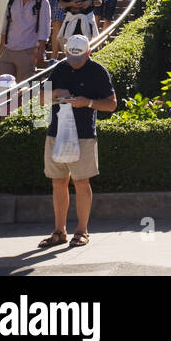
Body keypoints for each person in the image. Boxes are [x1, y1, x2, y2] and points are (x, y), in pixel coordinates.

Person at [36, 34, 116, 249]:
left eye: (78, 59)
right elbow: (40, 99)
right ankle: (59, 231)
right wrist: (56, 93)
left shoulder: (98, 71)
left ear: (88, 53)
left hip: (84, 135)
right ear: (66, 53)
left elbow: (111, 104)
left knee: (81, 182)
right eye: (71, 58)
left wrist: (87, 102)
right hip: (56, 132)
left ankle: (82, 231)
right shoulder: (60, 68)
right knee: (57, 182)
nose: (74, 63)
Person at [0, 0, 51, 79]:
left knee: (23, 91)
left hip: (28, 51)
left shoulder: (42, 2)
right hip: (8, 51)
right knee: (2, 89)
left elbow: (44, 30)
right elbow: (4, 29)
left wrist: (40, 52)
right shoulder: (12, 2)